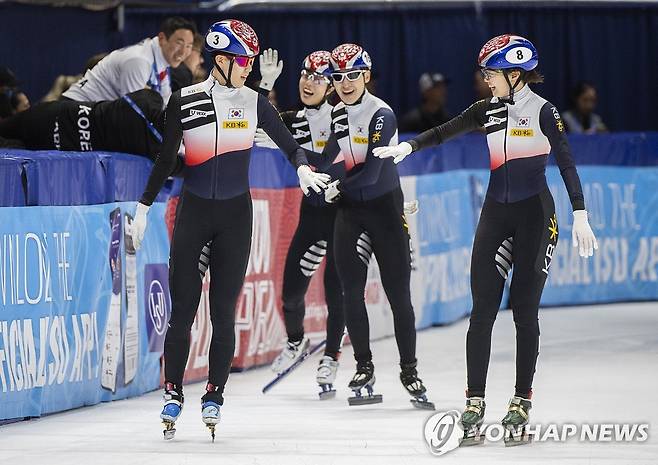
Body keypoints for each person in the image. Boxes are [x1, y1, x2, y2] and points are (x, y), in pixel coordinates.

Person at [373, 34, 598, 444]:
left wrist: (580, 212)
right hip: (495, 216)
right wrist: (410, 146)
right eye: (484, 73)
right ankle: (474, 402)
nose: (485, 80)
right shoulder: (486, 109)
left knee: (524, 313)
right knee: (482, 314)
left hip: (535, 217)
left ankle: (520, 401)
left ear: (515, 74)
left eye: (490, 73)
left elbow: (565, 160)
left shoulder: (544, 111)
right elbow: (445, 130)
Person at [129, 20, 329, 440]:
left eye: (252, 62)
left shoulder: (255, 102)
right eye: (244, 62)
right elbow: (166, 159)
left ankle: (214, 394)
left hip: (236, 217)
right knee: (182, 311)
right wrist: (145, 206)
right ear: (221, 61)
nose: (249, 69)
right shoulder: (184, 99)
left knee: (224, 313)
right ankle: (172, 392)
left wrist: (304, 169)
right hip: (194, 213)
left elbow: (290, 143)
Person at [307, 43, 433, 408]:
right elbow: (331, 157)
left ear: (365, 76)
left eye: (351, 76)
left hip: (385, 212)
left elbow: (374, 170)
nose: (344, 84)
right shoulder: (338, 114)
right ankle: (364, 367)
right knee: (351, 293)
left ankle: (410, 371)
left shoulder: (382, 114)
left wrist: (336, 186)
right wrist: (297, 160)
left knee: (398, 297)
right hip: (351, 213)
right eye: (338, 77)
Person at [254, 50, 347, 399]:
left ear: (332, 85)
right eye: (305, 74)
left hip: (343, 218)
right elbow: (254, 125)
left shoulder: (345, 117)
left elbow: (342, 161)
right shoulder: (291, 119)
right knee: (291, 292)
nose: (309, 82)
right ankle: (296, 341)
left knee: (335, 288)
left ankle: (332, 356)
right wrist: (264, 86)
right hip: (312, 217)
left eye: (319, 77)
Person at [62, 17, 196, 105]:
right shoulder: (140, 61)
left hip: (90, 111)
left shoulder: (160, 60)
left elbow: (165, 104)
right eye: (179, 43)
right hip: (74, 107)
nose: (183, 52)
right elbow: (134, 111)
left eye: (189, 46)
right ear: (162, 39)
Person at [0, 89, 164, 158]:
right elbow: (183, 169)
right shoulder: (154, 150)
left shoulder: (148, 99)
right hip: (53, 143)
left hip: (53, 115)